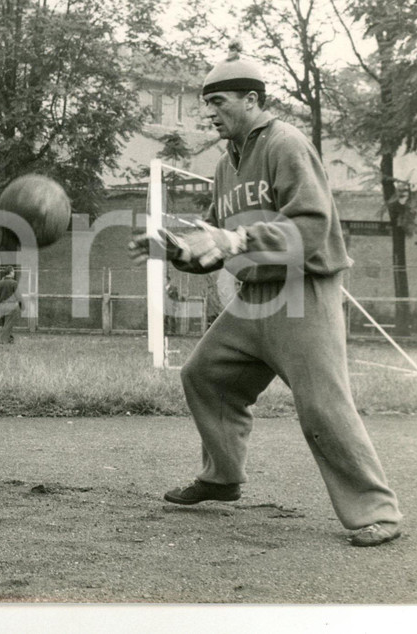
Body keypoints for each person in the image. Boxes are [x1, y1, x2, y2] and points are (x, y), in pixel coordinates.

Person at [128, 41, 402, 548]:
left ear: (252, 100)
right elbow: (214, 240)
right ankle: (222, 477)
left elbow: (312, 228)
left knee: (322, 405)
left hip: (304, 293)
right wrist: (173, 248)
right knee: (206, 375)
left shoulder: (285, 143)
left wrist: (236, 240)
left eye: (218, 101)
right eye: (205, 102)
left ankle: (376, 511)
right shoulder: (226, 165)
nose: (208, 111)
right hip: (254, 296)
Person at [0, 266, 22, 344]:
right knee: (8, 324)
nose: (14, 273)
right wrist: (20, 305)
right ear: (10, 272)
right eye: (13, 272)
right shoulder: (14, 283)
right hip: (11, 306)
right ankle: (3, 341)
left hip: (1, 306)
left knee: (5, 324)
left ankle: (10, 338)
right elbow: (18, 296)